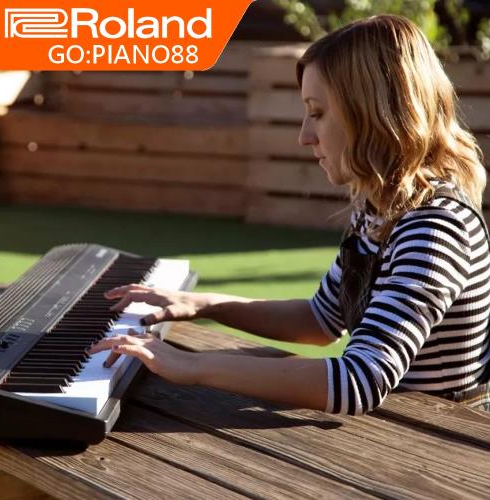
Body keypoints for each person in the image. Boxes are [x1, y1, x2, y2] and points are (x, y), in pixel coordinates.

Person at [89, 14, 490, 414]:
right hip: (397, 425)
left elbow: (359, 381)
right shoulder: (379, 211)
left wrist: (190, 366)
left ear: (372, 114)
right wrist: (203, 303)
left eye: (317, 113)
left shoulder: (434, 228)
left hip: (437, 438)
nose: (304, 136)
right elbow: (320, 320)